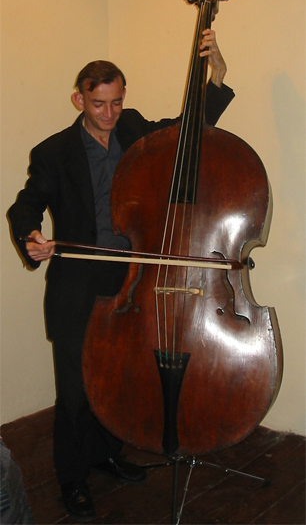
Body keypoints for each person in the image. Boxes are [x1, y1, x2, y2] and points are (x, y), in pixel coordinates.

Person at [8, 29, 235, 522]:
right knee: (74, 390)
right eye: (97, 104)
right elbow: (25, 204)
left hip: (130, 279)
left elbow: (185, 133)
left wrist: (216, 77)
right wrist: (30, 235)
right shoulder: (54, 152)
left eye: (114, 102)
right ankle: (71, 478)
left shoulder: (134, 129)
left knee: (119, 380)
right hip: (78, 284)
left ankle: (108, 454)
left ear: (123, 97)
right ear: (79, 98)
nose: (108, 115)